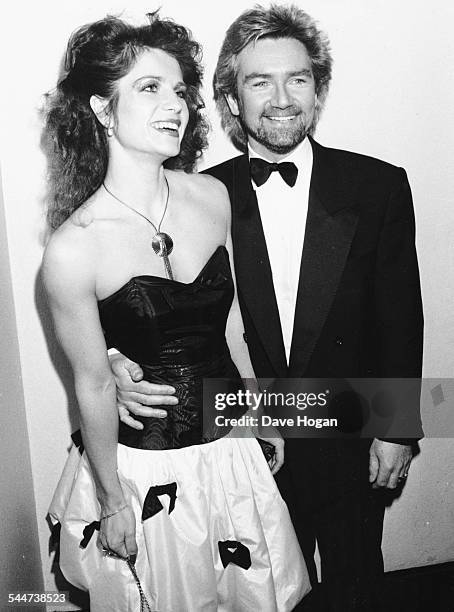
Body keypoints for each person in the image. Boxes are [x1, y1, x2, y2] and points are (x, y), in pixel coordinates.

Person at [111, 4, 424, 611]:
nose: (282, 99)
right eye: (260, 81)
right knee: (264, 594)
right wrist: (116, 361)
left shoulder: (379, 186)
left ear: (318, 90)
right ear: (231, 98)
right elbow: (147, 297)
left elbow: (399, 317)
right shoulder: (195, 196)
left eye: (298, 79)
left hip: (350, 433)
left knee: (360, 584)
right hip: (241, 440)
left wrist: (398, 428)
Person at [43, 13, 310, 612]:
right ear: (102, 110)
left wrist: (260, 413)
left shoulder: (213, 197)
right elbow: (89, 382)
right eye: (148, 88)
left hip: (231, 446)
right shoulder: (73, 247)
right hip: (144, 469)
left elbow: (233, 325)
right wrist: (113, 501)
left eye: (179, 90)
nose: (176, 105)